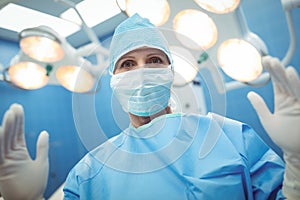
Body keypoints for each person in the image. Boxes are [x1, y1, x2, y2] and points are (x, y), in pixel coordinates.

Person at [0, 13, 299, 200]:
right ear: (114, 79)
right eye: (128, 63)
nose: (141, 72)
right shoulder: (89, 174)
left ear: (170, 71)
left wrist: (297, 163)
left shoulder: (229, 137)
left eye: (154, 60)